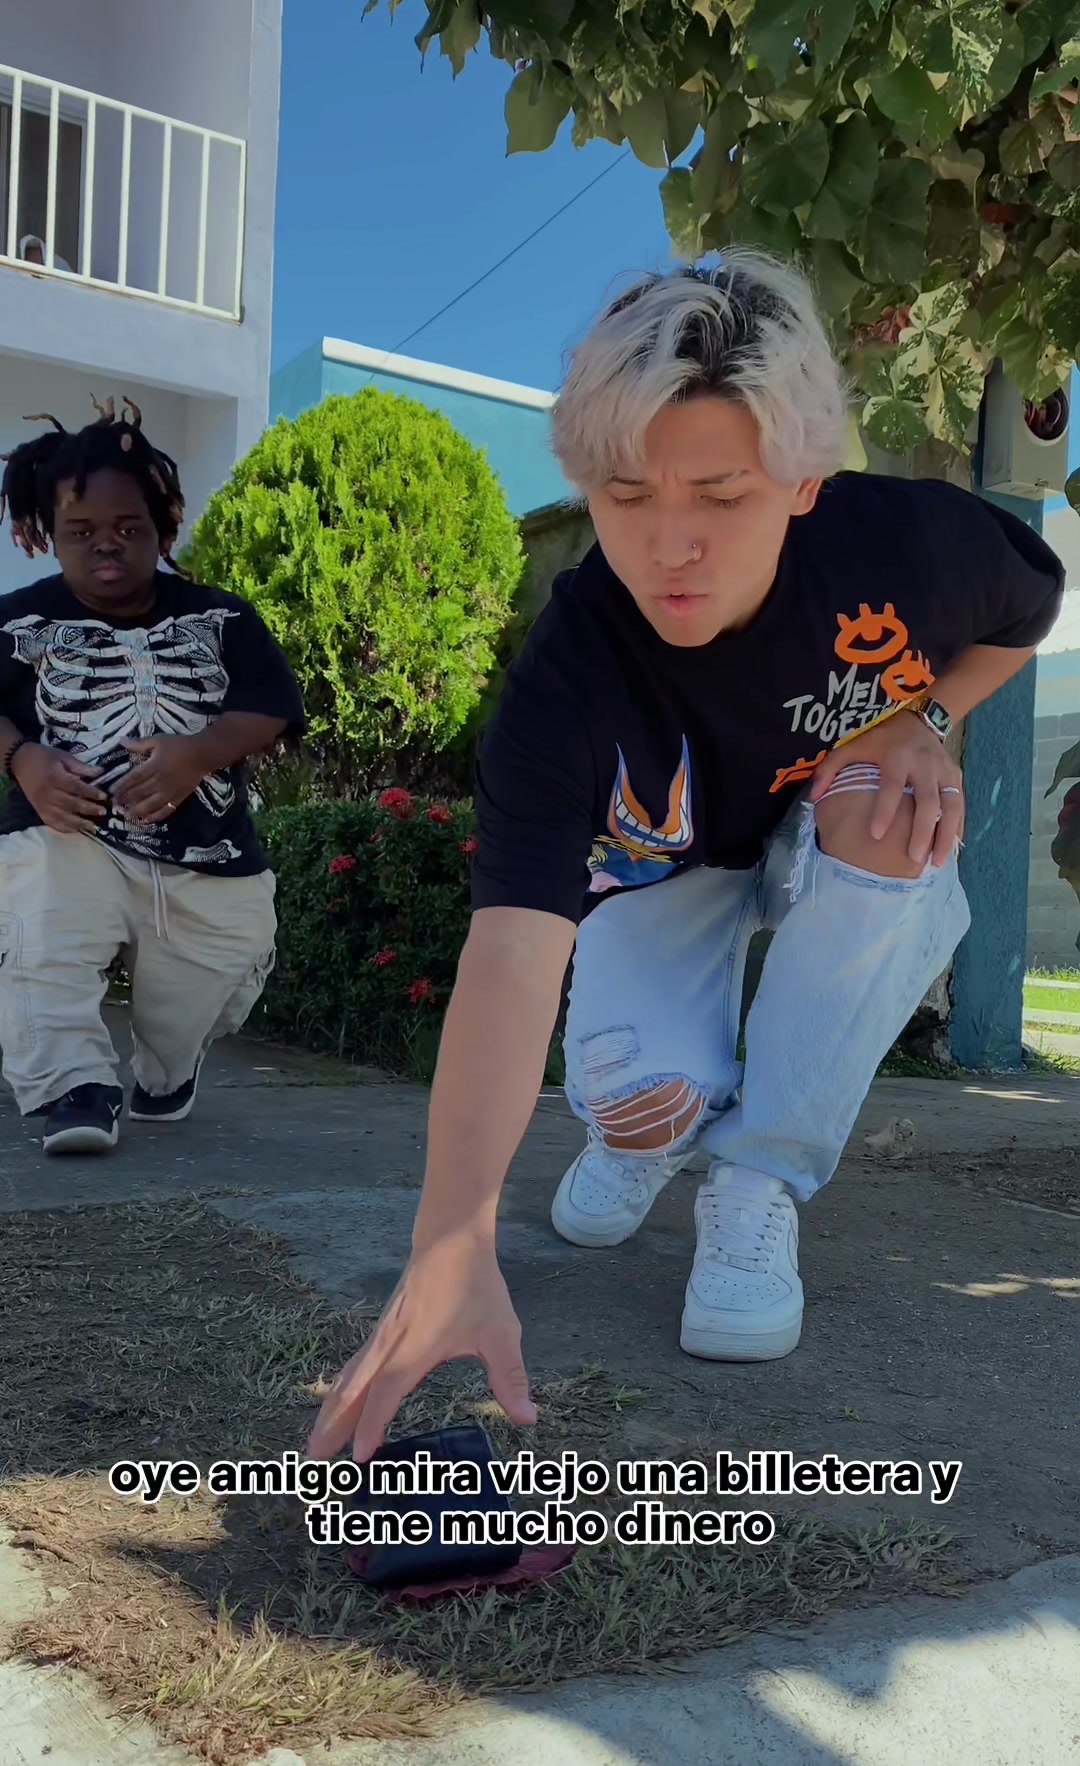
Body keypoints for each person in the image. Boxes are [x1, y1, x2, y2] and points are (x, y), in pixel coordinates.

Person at [306, 251, 1064, 1467]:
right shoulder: (568, 672)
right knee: (643, 1095)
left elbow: (1032, 605)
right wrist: (451, 1242)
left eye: (720, 497)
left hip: (827, 814)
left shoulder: (905, 547)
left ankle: (758, 1181)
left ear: (804, 480)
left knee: (895, 810)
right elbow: (512, 952)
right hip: (667, 870)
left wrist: (919, 717)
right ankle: (639, 1139)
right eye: (626, 495)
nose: (671, 547)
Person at [0, 397, 305, 1155]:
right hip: (70, 834)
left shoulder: (223, 616)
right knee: (41, 922)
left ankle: (168, 1067)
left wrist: (199, 752)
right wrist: (23, 758)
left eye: (128, 528)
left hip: (206, 852)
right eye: (81, 531)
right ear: (48, 533)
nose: (106, 543)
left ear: (162, 529)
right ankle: (74, 1087)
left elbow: (272, 706)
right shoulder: (15, 622)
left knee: (204, 986)